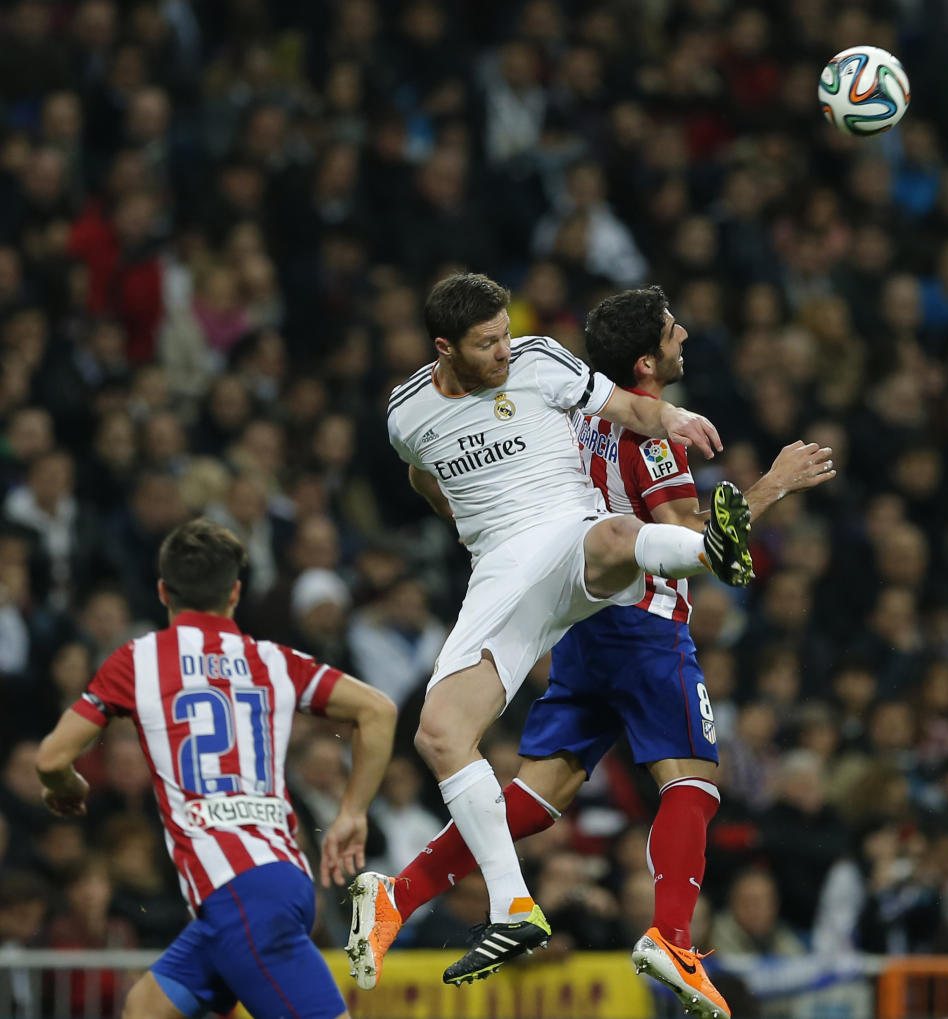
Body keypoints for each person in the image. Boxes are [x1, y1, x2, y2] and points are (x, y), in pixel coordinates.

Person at [348, 285, 836, 1016]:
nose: (685, 338)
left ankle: (400, 894)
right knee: (694, 780)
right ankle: (671, 936)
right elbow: (678, 520)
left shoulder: (571, 416)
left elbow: (469, 472)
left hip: (573, 617)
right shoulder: (648, 434)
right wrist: (771, 487)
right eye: (674, 333)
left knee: (536, 796)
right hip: (638, 616)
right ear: (647, 359)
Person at [35, 518, 397, 1019]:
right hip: (269, 881)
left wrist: (65, 786)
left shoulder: (138, 661)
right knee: (144, 1008)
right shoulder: (272, 660)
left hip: (240, 894)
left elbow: (51, 757)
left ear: (163, 591)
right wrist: (352, 811)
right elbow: (378, 710)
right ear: (235, 592)